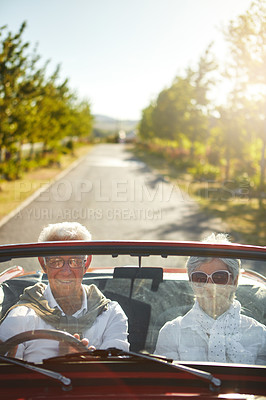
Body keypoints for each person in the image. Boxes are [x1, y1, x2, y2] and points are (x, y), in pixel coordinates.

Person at [0, 222, 129, 363]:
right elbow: (9, 379)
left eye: (75, 261)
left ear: (86, 263)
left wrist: (89, 366)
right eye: (56, 261)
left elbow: (116, 374)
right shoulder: (20, 317)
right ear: (43, 264)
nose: (66, 272)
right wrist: (61, 363)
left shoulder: (111, 314)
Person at [155, 233, 266, 365]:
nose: (209, 287)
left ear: (234, 281)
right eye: (200, 279)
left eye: (219, 278)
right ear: (191, 283)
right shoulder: (171, 333)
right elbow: (168, 384)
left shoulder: (259, 335)